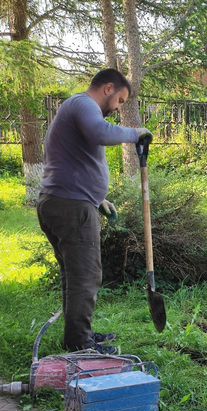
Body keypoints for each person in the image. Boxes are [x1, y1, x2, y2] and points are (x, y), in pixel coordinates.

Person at [37, 68, 151, 353]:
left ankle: (77, 336)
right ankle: (80, 345)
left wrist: (99, 199)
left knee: (74, 275)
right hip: (72, 208)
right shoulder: (83, 104)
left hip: (68, 202)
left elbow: (71, 160)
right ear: (108, 89)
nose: (118, 108)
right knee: (86, 276)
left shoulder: (78, 109)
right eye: (121, 101)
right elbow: (100, 133)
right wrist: (135, 133)